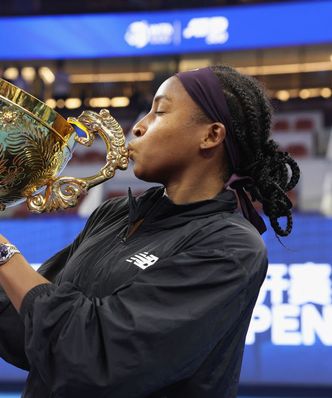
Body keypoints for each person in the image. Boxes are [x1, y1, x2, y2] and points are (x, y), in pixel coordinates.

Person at [0, 65, 300, 398]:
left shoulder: (230, 247)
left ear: (211, 135)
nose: (138, 127)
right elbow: (28, 329)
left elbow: (95, 356)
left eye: (159, 112)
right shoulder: (114, 215)